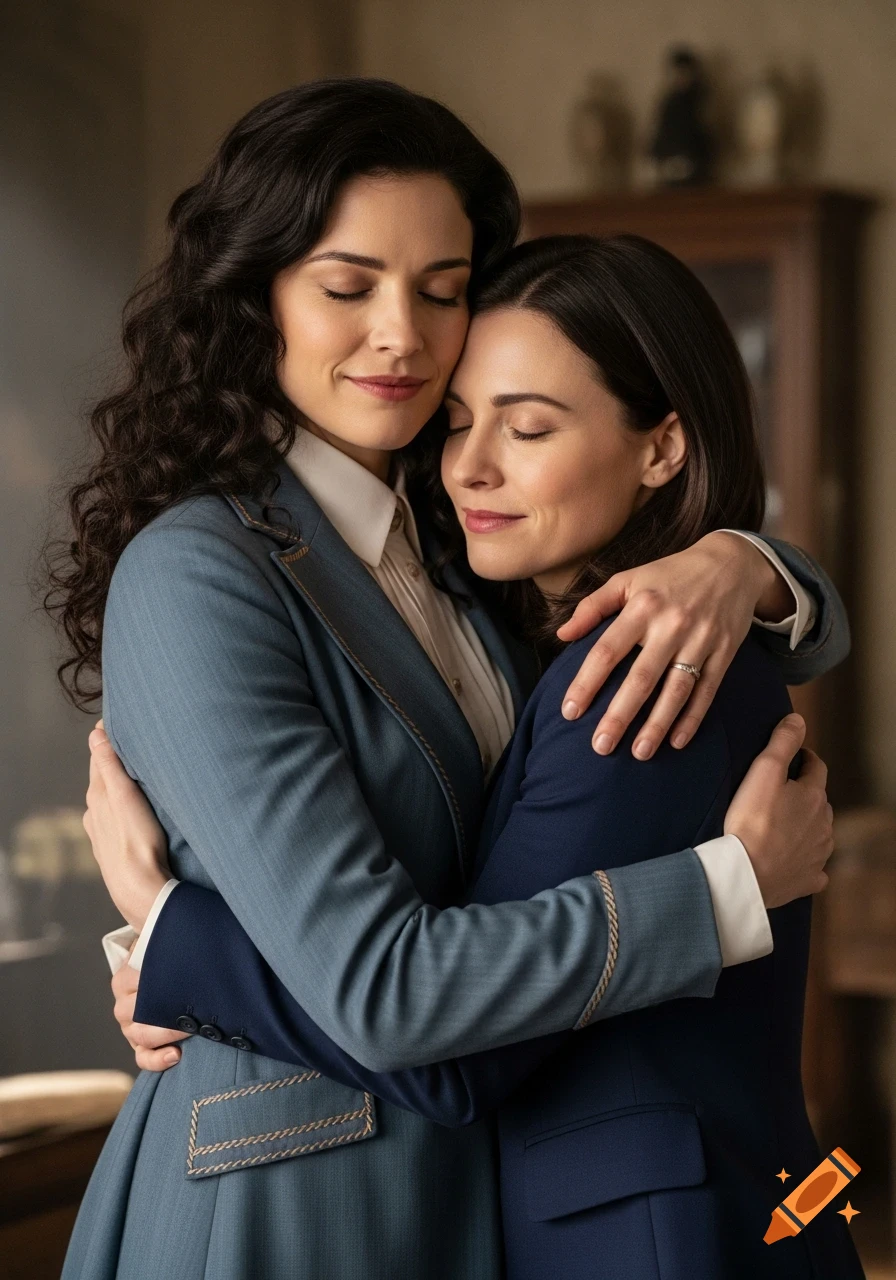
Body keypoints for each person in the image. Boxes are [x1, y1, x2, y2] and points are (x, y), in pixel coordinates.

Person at [55, 82, 844, 1280]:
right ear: (257, 290)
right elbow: (380, 984)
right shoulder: (200, 569)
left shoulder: (454, 545)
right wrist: (724, 891)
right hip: (288, 1203)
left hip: (466, 1181)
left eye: (440, 291)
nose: (403, 336)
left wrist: (745, 561)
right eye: (346, 285)